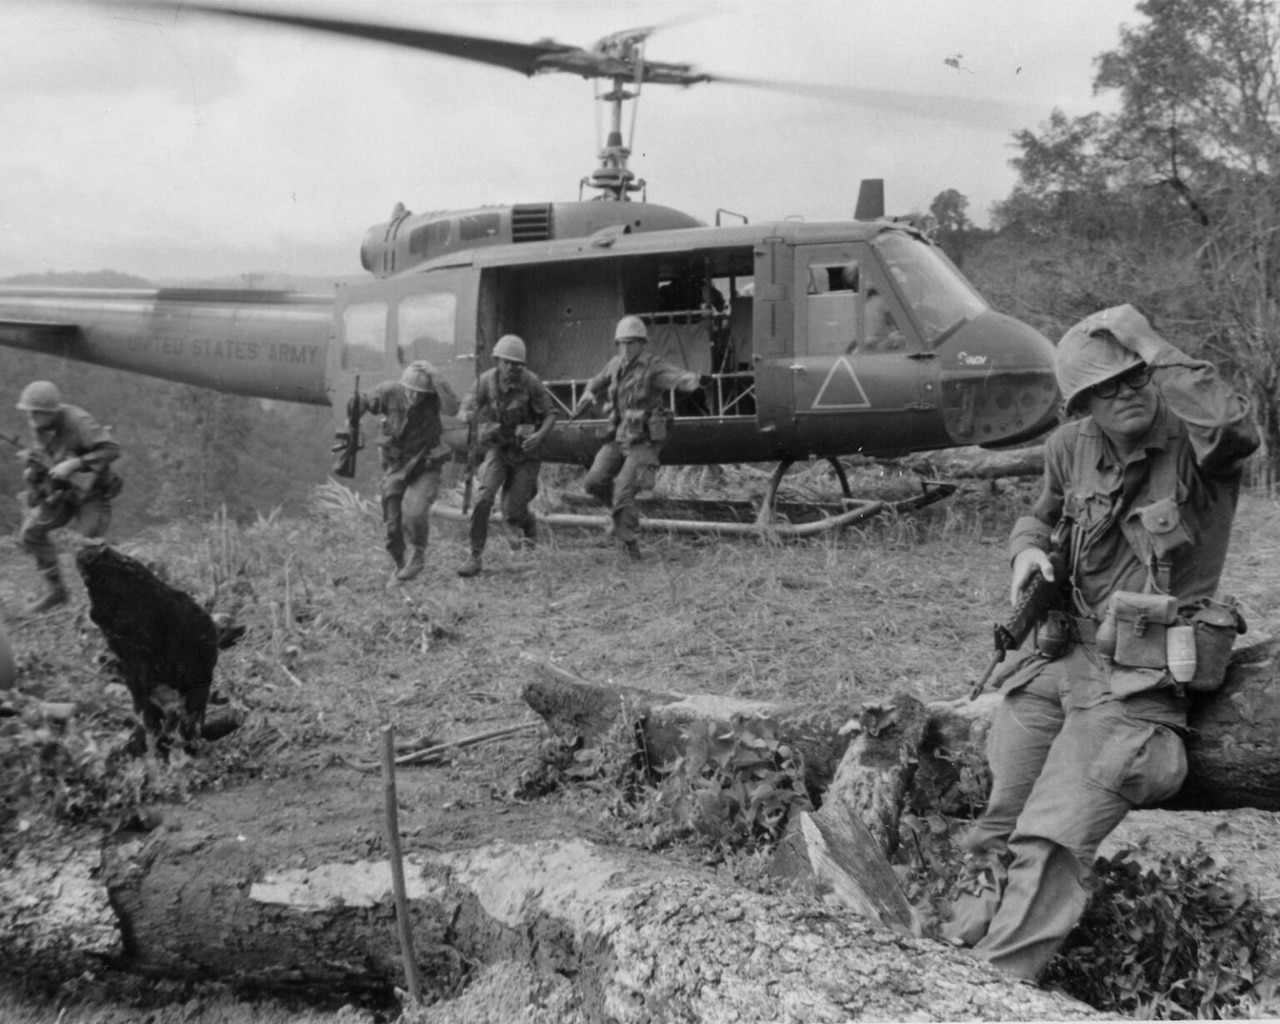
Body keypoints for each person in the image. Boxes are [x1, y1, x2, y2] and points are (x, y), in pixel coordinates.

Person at [942, 304, 1259, 981]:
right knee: (994, 822)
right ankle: (953, 948)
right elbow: (1042, 514)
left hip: (1136, 680)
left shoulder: (1198, 444)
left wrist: (1149, 340)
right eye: (1108, 385)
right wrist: (1025, 550)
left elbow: (1235, 427)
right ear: (1082, 400)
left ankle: (993, 989)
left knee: (1050, 839)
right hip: (1058, 659)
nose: (1129, 390)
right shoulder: (1070, 445)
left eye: (1137, 374)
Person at [569, 315, 704, 560]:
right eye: (621, 343)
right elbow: (596, 382)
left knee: (623, 491)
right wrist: (588, 393)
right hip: (618, 436)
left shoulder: (653, 366)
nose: (626, 348)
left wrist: (688, 381)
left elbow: (677, 377)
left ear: (642, 343)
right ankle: (618, 515)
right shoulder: (615, 365)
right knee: (593, 482)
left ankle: (629, 544)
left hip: (642, 441)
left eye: (631, 343)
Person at [14, 380, 123, 614]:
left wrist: (75, 463)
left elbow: (112, 449)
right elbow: (44, 456)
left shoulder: (79, 421)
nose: (31, 417)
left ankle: (107, 601)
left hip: (91, 494)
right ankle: (57, 592)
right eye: (29, 412)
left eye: (36, 413)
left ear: (51, 412)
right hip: (61, 493)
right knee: (31, 533)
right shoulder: (39, 428)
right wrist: (34, 472)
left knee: (90, 548)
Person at [455, 335, 557, 578]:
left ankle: (528, 525)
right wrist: (470, 417)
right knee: (483, 500)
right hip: (498, 450)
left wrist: (540, 435)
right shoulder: (485, 382)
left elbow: (551, 414)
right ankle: (475, 556)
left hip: (526, 454)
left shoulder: (531, 383)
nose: (513, 368)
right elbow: (463, 410)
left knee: (512, 512)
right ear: (498, 361)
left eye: (517, 364)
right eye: (508, 362)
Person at [348, 361, 459, 582]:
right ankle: (398, 563)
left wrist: (436, 377)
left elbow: (453, 408)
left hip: (425, 465)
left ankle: (417, 555)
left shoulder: (433, 397)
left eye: (421, 393)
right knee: (392, 521)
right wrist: (354, 412)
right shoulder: (390, 392)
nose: (416, 397)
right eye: (412, 391)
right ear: (404, 386)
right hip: (397, 466)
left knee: (416, 511)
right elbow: (363, 403)